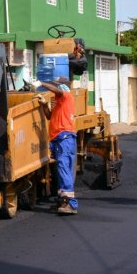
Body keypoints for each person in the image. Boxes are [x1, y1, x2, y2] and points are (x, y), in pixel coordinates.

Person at [35, 76, 78, 215]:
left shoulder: (66, 97)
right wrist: (43, 105)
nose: (55, 89)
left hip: (64, 138)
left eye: (57, 86)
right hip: (59, 139)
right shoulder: (59, 103)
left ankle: (71, 204)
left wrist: (41, 83)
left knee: (64, 169)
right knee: (61, 170)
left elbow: (58, 91)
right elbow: (49, 117)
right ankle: (62, 201)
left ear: (63, 87)